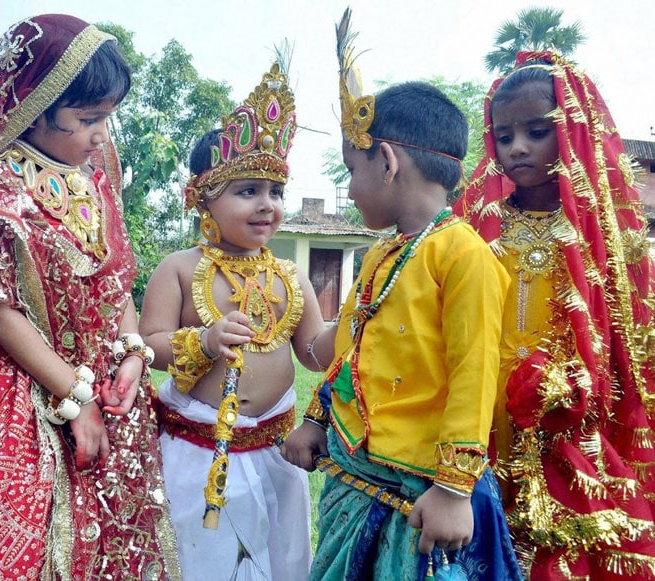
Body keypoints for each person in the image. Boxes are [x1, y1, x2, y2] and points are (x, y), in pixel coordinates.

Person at [0, 14, 179, 580]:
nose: (99, 136)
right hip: (21, 387)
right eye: (88, 119)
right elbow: (1, 311)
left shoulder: (97, 182)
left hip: (108, 389)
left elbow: (117, 288)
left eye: (106, 119)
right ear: (31, 106)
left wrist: (134, 355)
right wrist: (74, 397)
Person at [281, 10, 523, 580]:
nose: (348, 186)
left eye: (350, 169)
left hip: (423, 500)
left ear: (386, 162)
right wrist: (317, 419)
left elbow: (475, 373)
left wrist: (454, 489)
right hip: (359, 476)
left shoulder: (463, 255)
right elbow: (352, 354)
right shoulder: (379, 256)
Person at [455, 51, 655, 579]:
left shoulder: (598, 239)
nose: (518, 147)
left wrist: (569, 381)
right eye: (504, 136)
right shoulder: (473, 230)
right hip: (481, 416)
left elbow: (626, 342)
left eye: (538, 131)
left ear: (574, 133)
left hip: (569, 417)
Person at [138, 62, 330, 580]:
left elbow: (315, 354)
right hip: (197, 452)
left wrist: (355, 319)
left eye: (276, 192)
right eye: (248, 191)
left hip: (277, 450)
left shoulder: (292, 275)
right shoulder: (179, 268)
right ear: (204, 198)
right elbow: (147, 344)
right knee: (202, 561)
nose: (267, 205)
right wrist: (203, 339)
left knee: (280, 556)